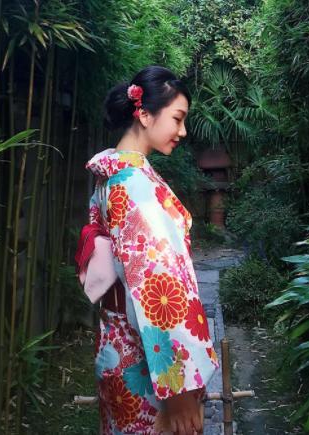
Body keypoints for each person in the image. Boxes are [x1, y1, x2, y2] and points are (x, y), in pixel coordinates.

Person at [85, 65, 219, 435]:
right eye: (177, 118)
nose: (183, 130)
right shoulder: (133, 185)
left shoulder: (114, 175)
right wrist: (178, 389)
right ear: (144, 114)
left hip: (119, 341)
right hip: (147, 361)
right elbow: (156, 283)